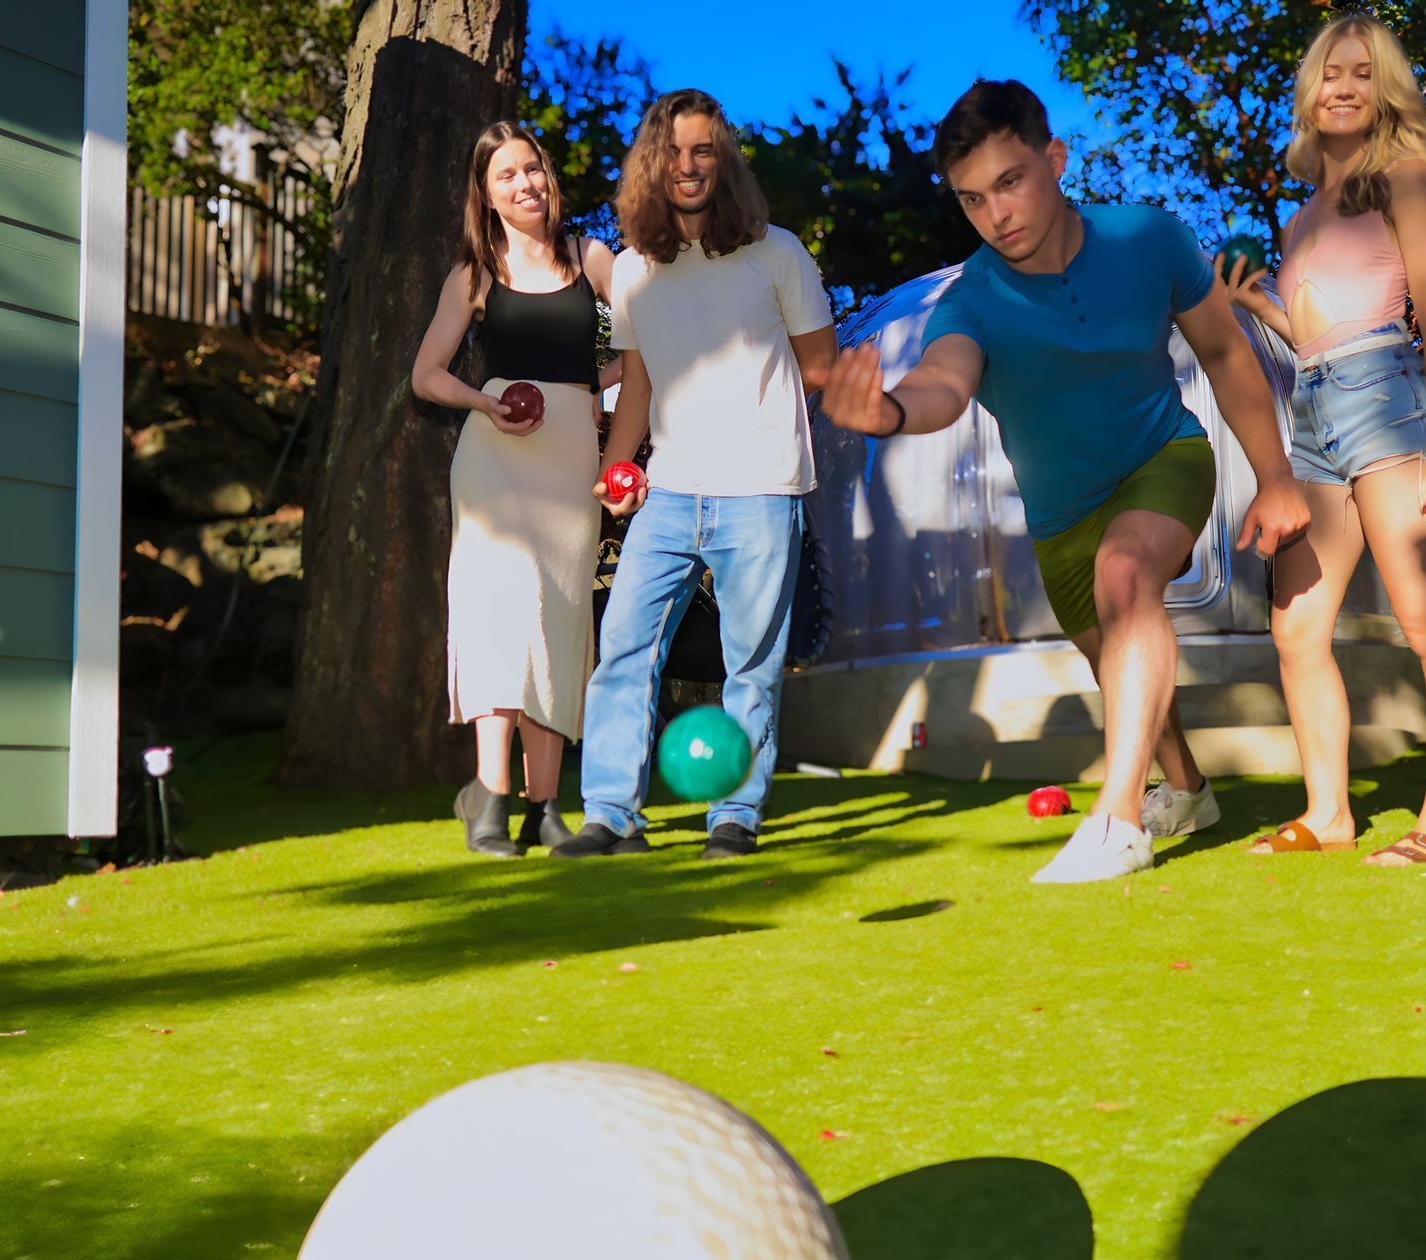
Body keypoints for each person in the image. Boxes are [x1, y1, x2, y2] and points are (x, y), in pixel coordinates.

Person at [822, 79, 1310, 884]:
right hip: (1060, 518)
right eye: (973, 199)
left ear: (1054, 158)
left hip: (1164, 457)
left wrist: (1276, 476)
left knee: (1128, 576)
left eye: (1009, 182)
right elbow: (943, 382)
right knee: (1119, 652)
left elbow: (1225, 354)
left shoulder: (1148, 238)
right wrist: (889, 413)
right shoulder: (972, 296)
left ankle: (1118, 819)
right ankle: (1186, 787)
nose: (996, 214)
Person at [1218, 14, 1426, 866]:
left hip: (1393, 405)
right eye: (1330, 73)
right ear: (1309, 88)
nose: (1342, 87)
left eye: (1363, 74)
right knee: (1297, 627)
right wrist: (1264, 311)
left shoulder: (1407, 180)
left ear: (1387, 92)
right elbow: (1316, 338)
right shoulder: (1300, 221)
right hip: (1315, 412)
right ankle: (1328, 812)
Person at [552, 89, 837, 860]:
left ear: (724, 159)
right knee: (622, 647)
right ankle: (609, 814)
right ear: (652, 161)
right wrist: (616, 474)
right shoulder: (635, 273)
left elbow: (821, 369)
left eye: (703, 150)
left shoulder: (778, 252)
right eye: (673, 152)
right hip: (670, 491)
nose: (688, 165)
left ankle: (734, 817)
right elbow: (636, 385)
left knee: (751, 663)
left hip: (763, 489)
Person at [411, 121, 619, 857]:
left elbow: (637, 352)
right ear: (487, 195)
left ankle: (546, 805)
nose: (525, 183)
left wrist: (595, 389)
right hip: (494, 460)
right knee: (502, 619)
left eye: (532, 168)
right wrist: (484, 401)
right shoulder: (473, 274)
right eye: (507, 175)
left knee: (559, 622)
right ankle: (491, 797)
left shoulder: (593, 258)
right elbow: (426, 374)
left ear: (547, 177)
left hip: (570, 464)